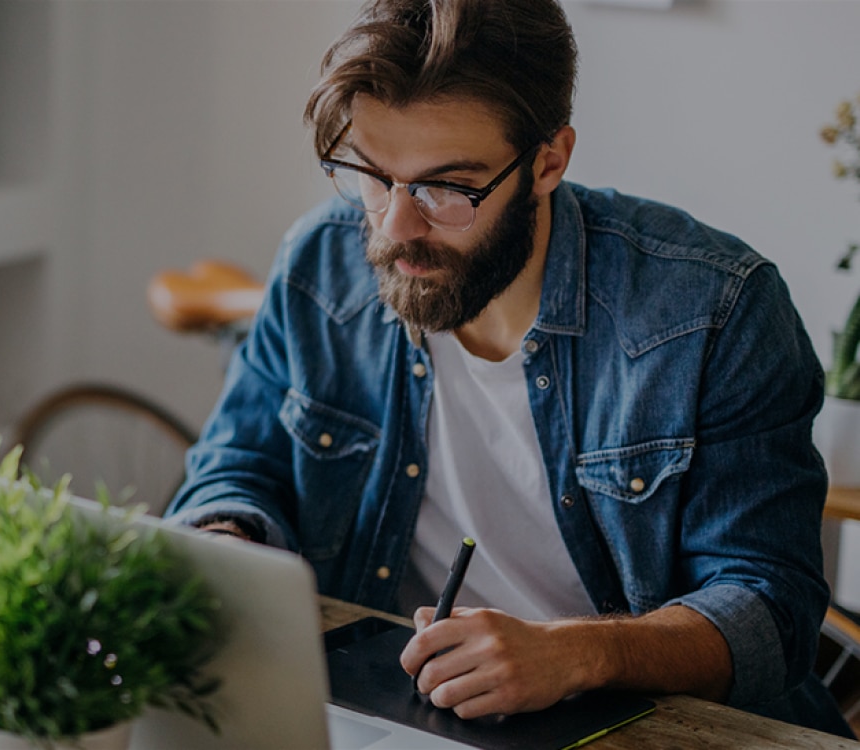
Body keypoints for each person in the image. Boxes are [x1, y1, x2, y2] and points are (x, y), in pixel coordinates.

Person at [164, 0, 853, 736]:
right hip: (394, 713)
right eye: (370, 173)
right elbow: (237, 464)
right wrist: (225, 545)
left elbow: (770, 610)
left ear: (549, 161)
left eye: (447, 188)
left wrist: (577, 654)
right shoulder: (319, 263)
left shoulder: (712, 310)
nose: (396, 227)